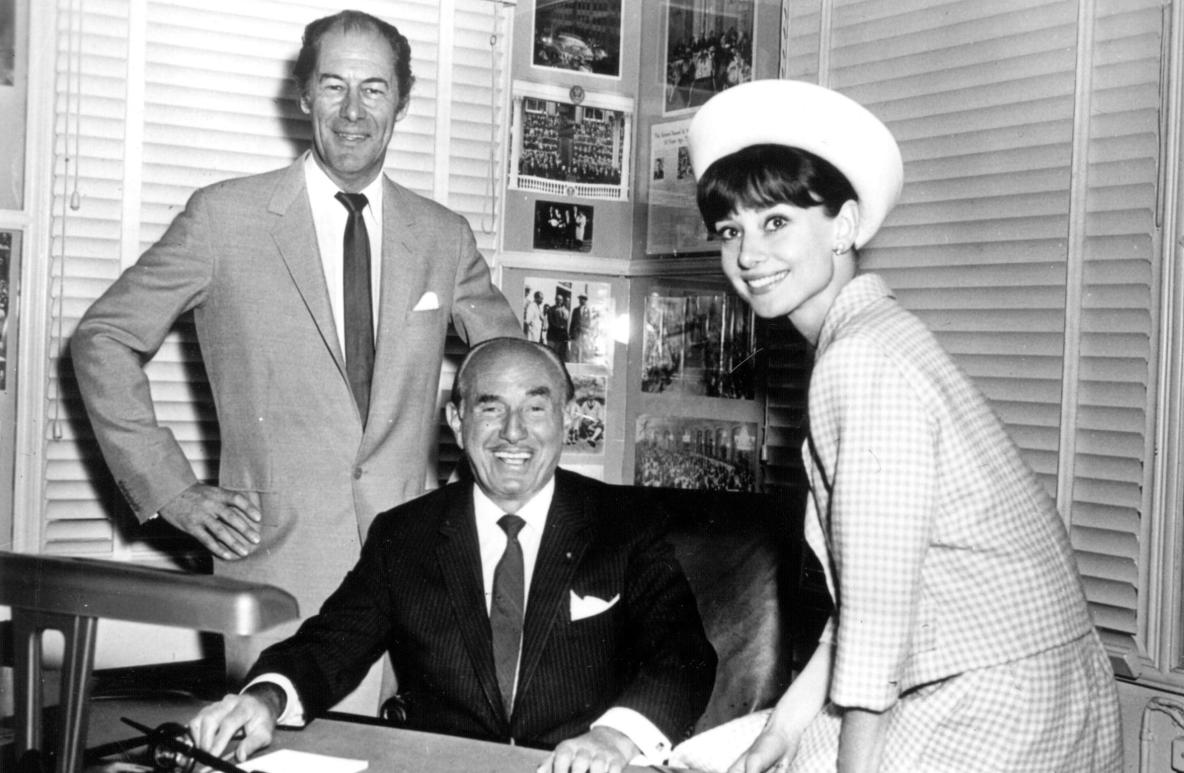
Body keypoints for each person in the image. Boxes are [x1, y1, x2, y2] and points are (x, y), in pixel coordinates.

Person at [69, 9, 521, 699]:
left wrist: (479, 487)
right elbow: (103, 338)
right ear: (304, 94)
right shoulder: (223, 218)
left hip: (423, 576)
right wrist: (172, 490)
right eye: (333, 85)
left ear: (403, 99)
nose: (352, 111)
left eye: (373, 88)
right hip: (278, 567)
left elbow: (511, 369)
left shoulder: (443, 236)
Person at [675, 79, 1123, 772]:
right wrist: (775, 737)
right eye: (731, 230)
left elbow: (877, 624)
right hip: (1037, 683)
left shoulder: (861, 360)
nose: (747, 255)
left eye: (776, 222)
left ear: (847, 225)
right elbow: (866, 605)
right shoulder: (880, 335)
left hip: (988, 702)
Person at [186, 337, 716, 773]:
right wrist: (264, 699)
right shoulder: (405, 535)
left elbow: (684, 655)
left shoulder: (626, 524)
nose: (514, 432)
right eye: (491, 408)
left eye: (535, 407)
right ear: (459, 422)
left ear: (566, 419)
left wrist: (613, 738)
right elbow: (331, 644)